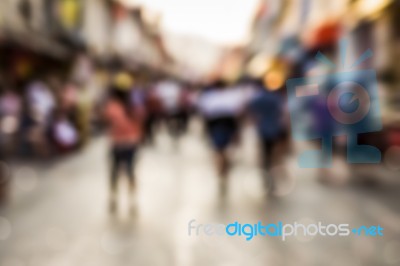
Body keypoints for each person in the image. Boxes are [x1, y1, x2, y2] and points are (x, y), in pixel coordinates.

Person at [103, 72, 143, 213]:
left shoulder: (111, 106)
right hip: (132, 144)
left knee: (114, 173)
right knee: (130, 172)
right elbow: (140, 123)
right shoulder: (135, 106)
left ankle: (113, 198)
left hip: (117, 144)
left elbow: (107, 122)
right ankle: (132, 201)